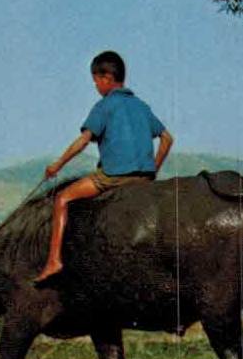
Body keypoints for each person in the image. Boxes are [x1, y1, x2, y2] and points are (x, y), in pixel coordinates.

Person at [33, 50, 173, 284]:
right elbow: (167, 139)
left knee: (62, 199)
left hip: (114, 177)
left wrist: (56, 165)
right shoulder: (141, 106)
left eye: (96, 81)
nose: (96, 86)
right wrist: (152, 170)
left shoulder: (104, 106)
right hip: (145, 177)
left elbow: (84, 140)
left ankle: (54, 261)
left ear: (107, 78)